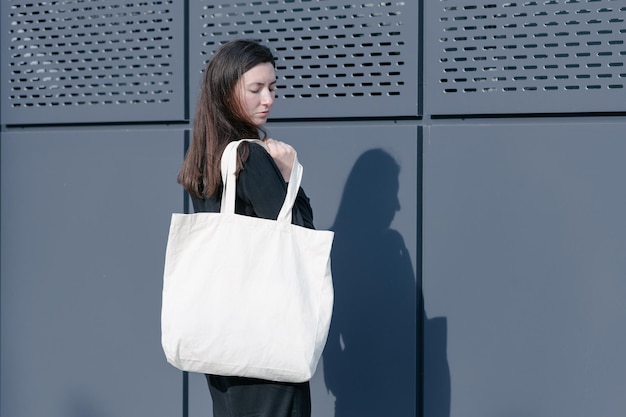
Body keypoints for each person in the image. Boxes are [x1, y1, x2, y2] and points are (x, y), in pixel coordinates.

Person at [177, 39, 315, 417]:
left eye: (272, 88)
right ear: (226, 91)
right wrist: (288, 176)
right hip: (265, 340)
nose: (267, 99)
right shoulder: (250, 156)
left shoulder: (205, 158)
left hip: (222, 338)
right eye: (255, 89)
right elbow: (299, 235)